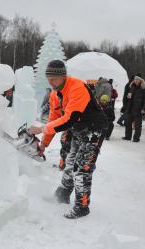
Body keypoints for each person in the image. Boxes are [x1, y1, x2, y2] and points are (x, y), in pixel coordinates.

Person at [28, 60, 107, 218]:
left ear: (63, 76)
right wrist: (43, 144)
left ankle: (82, 206)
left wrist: (42, 128)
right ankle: (62, 194)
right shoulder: (54, 95)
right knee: (70, 162)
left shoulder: (77, 88)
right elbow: (53, 119)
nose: (51, 81)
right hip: (78, 131)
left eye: (54, 78)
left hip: (94, 130)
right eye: (48, 78)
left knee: (82, 167)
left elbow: (70, 118)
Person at [122, 76, 145, 142]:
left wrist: (144, 108)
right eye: (135, 79)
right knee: (128, 123)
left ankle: (136, 138)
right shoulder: (131, 86)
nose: (136, 80)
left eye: (137, 79)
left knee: (137, 125)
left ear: (140, 80)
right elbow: (127, 96)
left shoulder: (144, 88)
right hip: (130, 108)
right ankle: (128, 136)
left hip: (139, 109)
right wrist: (126, 104)